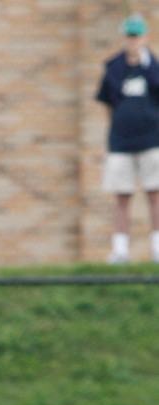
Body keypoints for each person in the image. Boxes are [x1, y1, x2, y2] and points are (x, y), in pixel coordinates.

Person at [96, 13, 159, 264]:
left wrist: (144, 64)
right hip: (121, 143)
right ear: (124, 37)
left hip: (151, 141)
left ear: (144, 37)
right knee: (122, 197)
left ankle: (157, 249)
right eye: (130, 36)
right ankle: (120, 250)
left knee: (155, 195)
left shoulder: (153, 66)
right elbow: (107, 103)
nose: (133, 41)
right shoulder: (113, 67)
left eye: (137, 36)